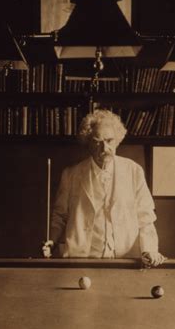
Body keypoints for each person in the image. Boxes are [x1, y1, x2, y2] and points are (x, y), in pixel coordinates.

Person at [42, 109, 166, 267]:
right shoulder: (71, 174)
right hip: (81, 258)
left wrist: (150, 249)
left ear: (117, 140)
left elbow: (145, 217)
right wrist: (51, 242)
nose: (104, 148)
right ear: (88, 142)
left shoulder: (134, 171)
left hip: (125, 258)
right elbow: (59, 217)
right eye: (97, 141)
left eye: (109, 141)